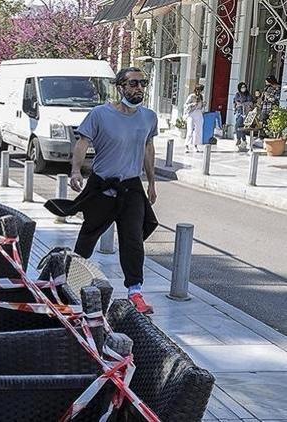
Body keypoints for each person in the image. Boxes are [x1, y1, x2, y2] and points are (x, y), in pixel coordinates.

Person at [43, 67, 159, 314]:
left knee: (133, 240)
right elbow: (82, 142)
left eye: (142, 83)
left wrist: (151, 182)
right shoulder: (99, 114)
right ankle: (67, 282)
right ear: (121, 87)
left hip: (131, 187)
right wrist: (76, 171)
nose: (139, 88)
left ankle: (135, 292)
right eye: (133, 83)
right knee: (88, 236)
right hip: (103, 186)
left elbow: (148, 148)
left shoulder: (149, 117)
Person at [184, 84, 205, 153]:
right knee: (190, 130)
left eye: (200, 90)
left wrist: (203, 105)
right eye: (198, 90)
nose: (199, 92)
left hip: (198, 113)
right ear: (195, 90)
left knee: (198, 130)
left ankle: (195, 145)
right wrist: (192, 104)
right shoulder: (191, 96)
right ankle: (187, 145)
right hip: (191, 113)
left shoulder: (201, 97)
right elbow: (186, 105)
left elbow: (201, 106)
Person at [233, 82, 253, 150]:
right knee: (241, 127)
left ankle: (239, 139)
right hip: (238, 113)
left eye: (244, 87)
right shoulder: (237, 94)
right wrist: (238, 105)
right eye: (242, 87)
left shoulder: (248, 95)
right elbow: (236, 102)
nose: (243, 88)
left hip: (245, 113)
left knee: (237, 126)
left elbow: (250, 103)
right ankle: (244, 140)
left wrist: (242, 104)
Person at [260, 75, 281, 140]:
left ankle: (269, 136)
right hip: (265, 107)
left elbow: (276, 98)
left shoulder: (277, 88)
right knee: (264, 121)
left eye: (267, 81)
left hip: (272, 108)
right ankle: (263, 135)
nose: (266, 82)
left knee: (270, 122)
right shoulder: (267, 88)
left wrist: (268, 97)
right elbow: (263, 97)